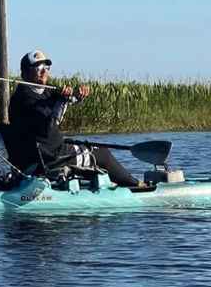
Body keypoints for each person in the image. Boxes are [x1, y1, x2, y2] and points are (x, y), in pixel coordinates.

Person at [8, 50, 141, 187]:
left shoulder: (39, 92)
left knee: (91, 147)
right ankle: (136, 185)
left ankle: (107, 184)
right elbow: (53, 121)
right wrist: (63, 101)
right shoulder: (25, 99)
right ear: (24, 73)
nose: (44, 72)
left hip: (48, 152)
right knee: (101, 153)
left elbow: (58, 101)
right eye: (39, 68)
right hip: (52, 158)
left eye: (46, 68)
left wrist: (77, 96)